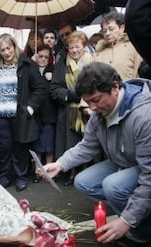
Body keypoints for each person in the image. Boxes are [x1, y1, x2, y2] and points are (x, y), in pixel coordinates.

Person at [41, 62, 151, 247]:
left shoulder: (145, 115)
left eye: (96, 100)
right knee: (83, 181)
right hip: (123, 160)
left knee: (113, 186)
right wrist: (61, 164)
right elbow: (88, 145)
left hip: (146, 167)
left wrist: (126, 220)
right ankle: (140, 213)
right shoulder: (99, 112)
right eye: (88, 102)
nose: (92, 108)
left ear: (115, 87)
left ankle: (143, 231)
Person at [0, 33, 45, 192]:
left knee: (20, 147)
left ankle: (21, 177)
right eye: (2, 50)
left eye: (8, 48)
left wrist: (30, 108)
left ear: (14, 46)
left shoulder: (27, 65)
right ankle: (4, 177)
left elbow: (40, 88)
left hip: (20, 114)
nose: (6, 52)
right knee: (3, 148)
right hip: (1, 115)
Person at [50, 31, 94, 186]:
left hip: (89, 109)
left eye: (77, 46)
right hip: (69, 110)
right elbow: (54, 89)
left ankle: (88, 174)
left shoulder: (93, 62)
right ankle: (72, 174)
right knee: (71, 144)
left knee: (89, 142)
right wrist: (71, 95)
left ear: (84, 46)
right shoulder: (62, 62)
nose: (74, 50)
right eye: (71, 47)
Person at [94, 11, 142, 81]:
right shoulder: (98, 53)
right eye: (104, 31)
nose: (107, 33)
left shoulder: (133, 47)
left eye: (111, 29)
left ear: (122, 28)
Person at [32, 45, 56, 183]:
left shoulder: (53, 70)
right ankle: (37, 170)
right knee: (37, 144)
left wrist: (51, 79)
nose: (42, 59)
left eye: (46, 57)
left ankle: (48, 170)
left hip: (49, 111)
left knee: (49, 143)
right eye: (40, 56)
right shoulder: (32, 69)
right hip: (36, 113)